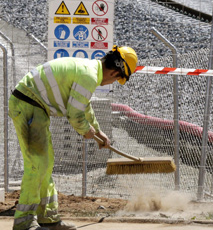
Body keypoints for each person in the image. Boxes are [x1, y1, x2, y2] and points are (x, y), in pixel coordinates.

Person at [9, 45, 138, 230]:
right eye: (118, 79)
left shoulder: (89, 70)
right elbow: (75, 114)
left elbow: (84, 106)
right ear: (115, 72)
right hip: (28, 104)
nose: (113, 82)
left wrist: (97, 131)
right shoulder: (89, 76)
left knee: (45, 164)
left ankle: (49, 219)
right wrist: (86, 130)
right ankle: (24, 222)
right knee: (38, 164)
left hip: (33, 105)